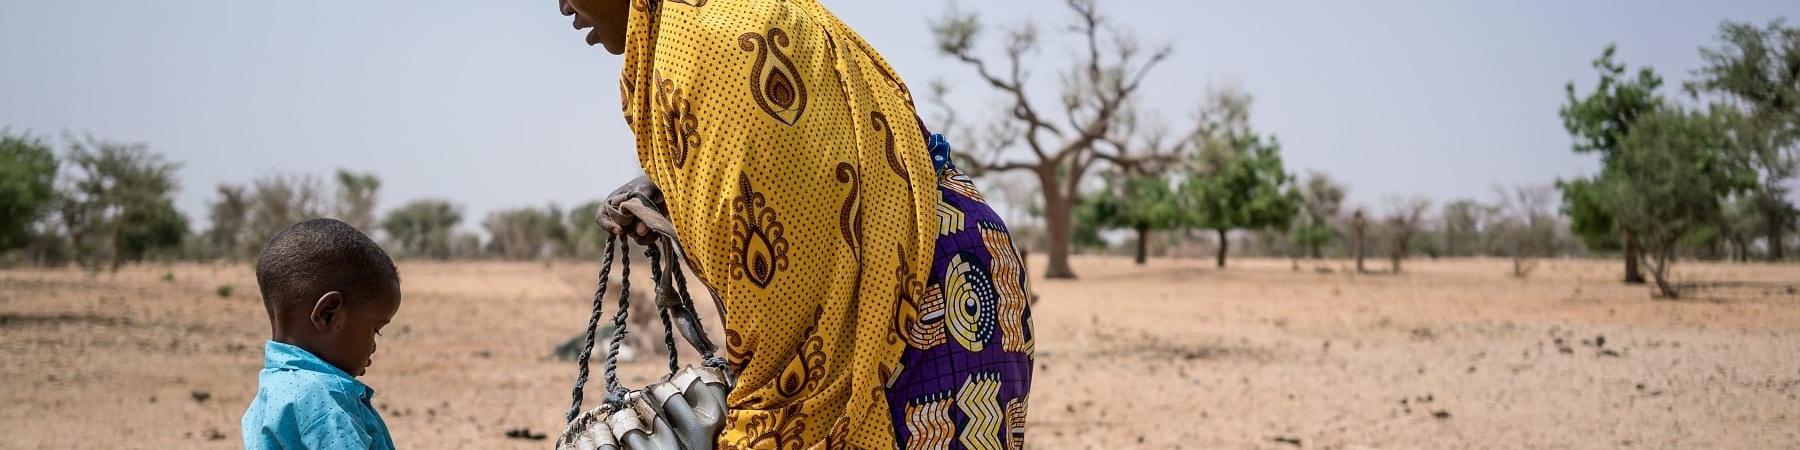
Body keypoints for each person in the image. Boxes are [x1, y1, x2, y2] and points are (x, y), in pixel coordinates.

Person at [561, 0, 1034, 448]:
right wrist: (667, 186)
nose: (563, 7)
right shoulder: (717, 15)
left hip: (912, 300)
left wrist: (761, 424)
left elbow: (783, 278)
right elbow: (808, 163)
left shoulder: (699, 41)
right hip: (957, 263)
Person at [241, 218, 402, 450]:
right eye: (375, 329)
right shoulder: (321, 399)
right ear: (328, 313)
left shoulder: (271, 393)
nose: (373, 347)